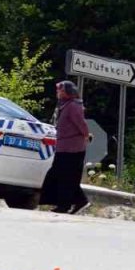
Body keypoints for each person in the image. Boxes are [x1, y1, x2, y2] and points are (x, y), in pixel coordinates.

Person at [41, 80, 91, 214]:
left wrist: (86, 136)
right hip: (64, 148)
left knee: (66, 177)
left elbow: (82, 124)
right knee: (61, 176)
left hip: (73, 149)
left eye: (60, 90)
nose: (58, 92)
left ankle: (65, 205)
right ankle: (77, 201)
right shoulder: (65, 105)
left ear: (68, 92)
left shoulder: (73, 106)